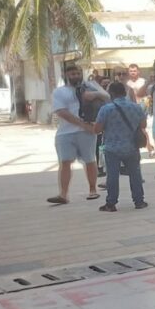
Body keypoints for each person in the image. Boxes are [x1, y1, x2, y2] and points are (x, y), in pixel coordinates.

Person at [47, 62, 109, 204]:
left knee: (90, 160)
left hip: (87, 132)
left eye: (78, 73)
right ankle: (63, 194)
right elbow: (61, 112)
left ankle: (93, 190)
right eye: (72, 74)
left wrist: (94, 94)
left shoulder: (90, 86)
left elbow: (106, 97)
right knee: (65, 162)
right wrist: (82, 124)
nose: (76, 76)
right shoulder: (59, 92)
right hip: (66, 132)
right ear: (66, 76)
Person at [94, 81, 148, 212]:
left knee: (112, 176)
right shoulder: (136, 107)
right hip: (132, 146)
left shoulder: (106, 109)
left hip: (112, 147)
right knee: (135, 174)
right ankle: (139, 201)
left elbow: (97, 129)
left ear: (111, 93)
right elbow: (143, 125)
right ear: (124, 93)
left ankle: (111, 203)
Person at [125, 64, 152, 155]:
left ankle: (149, 148)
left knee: (142, 128)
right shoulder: (127, 83)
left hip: (142, 107)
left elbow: (149, 94)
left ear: (138, 71)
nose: (133, 73)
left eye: (134, 71)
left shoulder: (143, 81)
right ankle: (147, 147)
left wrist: (146, 100)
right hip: (130, 108)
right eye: (131, 71)